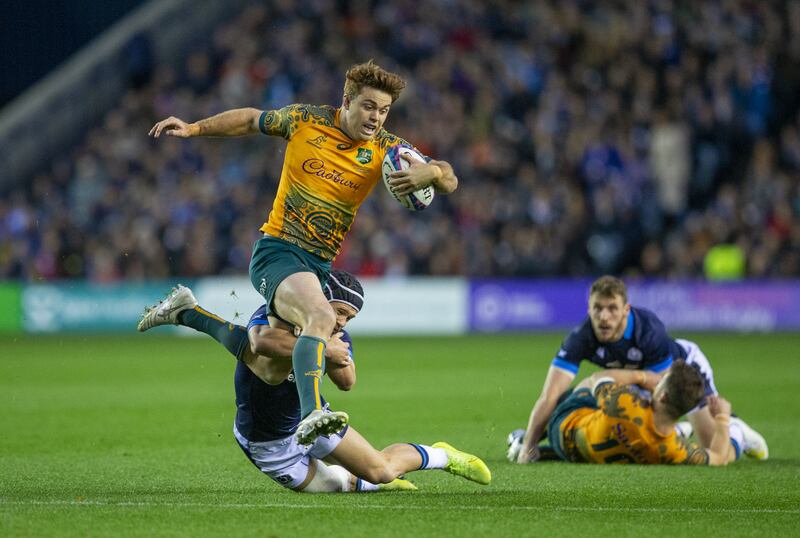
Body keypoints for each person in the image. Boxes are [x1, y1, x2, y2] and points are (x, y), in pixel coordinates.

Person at [148, 60, 458, 445]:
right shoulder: (305, 120)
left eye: (383, 110)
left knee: (267, 361)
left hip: (318, 264)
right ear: (347, 101)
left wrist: (431, 172)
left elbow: (449, 177)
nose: (376, 117)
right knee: (321, 316)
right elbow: (251, 119)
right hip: (278, 250)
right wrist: (194, 128)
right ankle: (313, 414)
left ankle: (187, 312)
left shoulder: (386, 147)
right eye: (368, 106)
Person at [137, 271, 491, 493]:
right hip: (269, 442)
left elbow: (348, 382)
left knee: (382, 471)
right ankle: (189, 314)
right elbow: (260, 343)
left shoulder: (336, 334)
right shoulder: (278, 314)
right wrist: (323, 348)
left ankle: (444, 455)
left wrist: (333, 352)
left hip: (314, 420)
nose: (342, 323)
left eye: (350, 318)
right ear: (320, 301)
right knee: (335, 482)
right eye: (340, 312)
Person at [513, 275, 768, 464]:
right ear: (588, 308)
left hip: (680, 372)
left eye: (612, 308)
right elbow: (549, 396)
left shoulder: (648, 333)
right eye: (597, 308)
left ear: (626, 310)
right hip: (636, 382)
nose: (604, 317)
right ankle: (528, 440)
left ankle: (735, 430)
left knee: (710, 444)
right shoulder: (580, 338)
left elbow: (661, 388)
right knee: (569, 404)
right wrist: (530, 447)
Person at [512, 361, 734, 465]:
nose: (657, 382)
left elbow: (598, 378)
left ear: (664, 396)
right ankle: (683, 429)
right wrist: (723, 418)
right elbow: (718, 457)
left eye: (661, 381)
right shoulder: (674, 449)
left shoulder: (627, 404)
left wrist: (642, 377)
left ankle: (529, 439)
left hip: (562, 428)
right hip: (583, 457)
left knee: (588, 385)